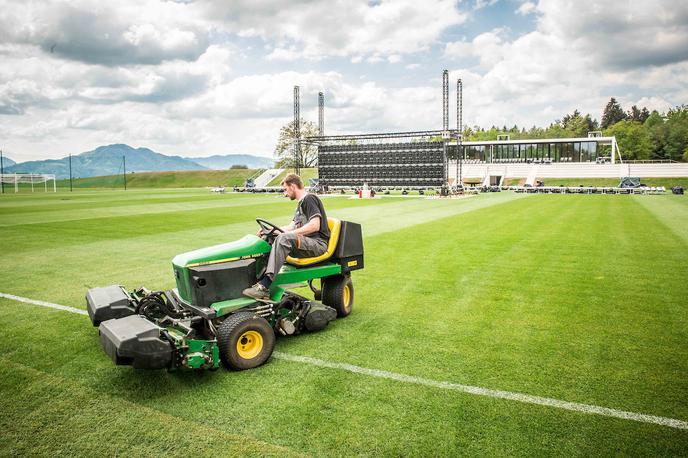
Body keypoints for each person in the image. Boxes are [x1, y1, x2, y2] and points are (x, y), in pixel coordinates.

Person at [242, 173, 330, 299]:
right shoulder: (300, 205)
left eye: (285, 189)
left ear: (293, 186)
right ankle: (258, 277)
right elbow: (291, 226)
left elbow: (315, 225)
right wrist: (270, 231)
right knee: (270, 237)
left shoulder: (310, 199)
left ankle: (265, 286)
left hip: (318, 243)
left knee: (284, 238)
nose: (285, 193)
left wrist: (286, 234)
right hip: (305, 242)